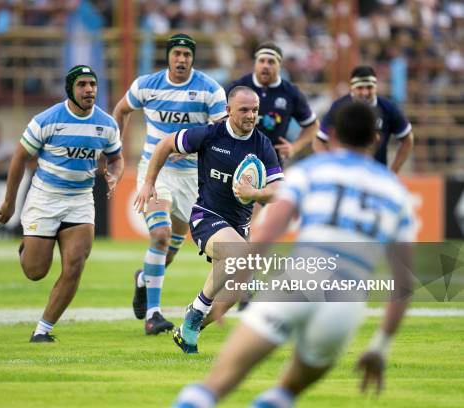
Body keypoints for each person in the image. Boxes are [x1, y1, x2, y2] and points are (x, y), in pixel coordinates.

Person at [173, 101, 415, 407]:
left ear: (334, 136)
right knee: (287, 390)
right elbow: (404, 278)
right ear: (377, 140)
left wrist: (239, 281)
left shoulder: (313, 170)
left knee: (216, 384)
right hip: (344, 301)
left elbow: (269, 231)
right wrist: (381, 345)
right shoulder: (395, 192)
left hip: (295, 284)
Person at [135, 86, 284, 353]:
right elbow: (165, 144)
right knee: (238, 254)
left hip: (240, 225)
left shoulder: (262, 144)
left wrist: (255, 193)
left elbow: (279, 193)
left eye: (255, 111)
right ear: (228, 111)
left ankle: (189, 330)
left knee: (235, 291)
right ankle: (196, 309)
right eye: (244, 110)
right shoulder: (210, 134)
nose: (251, 116)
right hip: (207, 216)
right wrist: (148, 183)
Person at [0, 65, 123, 343]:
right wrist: (9, 202)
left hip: (80, 200)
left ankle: (43, 329)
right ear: (70, 89)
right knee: (35, 272)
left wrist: (116, 173)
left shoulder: (107, 124)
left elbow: (116, 157)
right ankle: (28, 247)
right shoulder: (46, 120)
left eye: (93, 84)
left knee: (75, 264)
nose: (89, 90)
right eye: (82, 85)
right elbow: (19, 158)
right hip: (45, 197)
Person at [113, 33, 227, 335]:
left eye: (187, 55)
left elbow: (220, 135)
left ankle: (143, 280)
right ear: (168, 56)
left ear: (193, 58)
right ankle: (153, 315)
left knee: (172, 249)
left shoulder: (210, 90)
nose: (181, 59)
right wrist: (116, 153)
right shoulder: (146, 85)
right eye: (177, 53)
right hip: (154, 171)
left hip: (192, 177)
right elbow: (122, 110)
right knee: (160, 236)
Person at [226, 42, 319, 163]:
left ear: (279, 65)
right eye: (262, 61)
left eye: (271, 62)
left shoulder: (291, 93)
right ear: (255, 64)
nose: (265, 66)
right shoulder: (237, 87)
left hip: (272, 165)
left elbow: (312, 125)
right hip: (235, 161)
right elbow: (217, 117)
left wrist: (294, 147)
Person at [313, 65, 414, 173]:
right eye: (360, 88)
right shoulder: (339, 107)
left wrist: (393, 171)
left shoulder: (388, 108)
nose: (365, 93)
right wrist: (332, 167)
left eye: (369, 87)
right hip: (346, 175)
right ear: (352, 88)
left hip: (375, 175)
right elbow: (318, 141)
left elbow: (407, 139)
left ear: (376, 87)